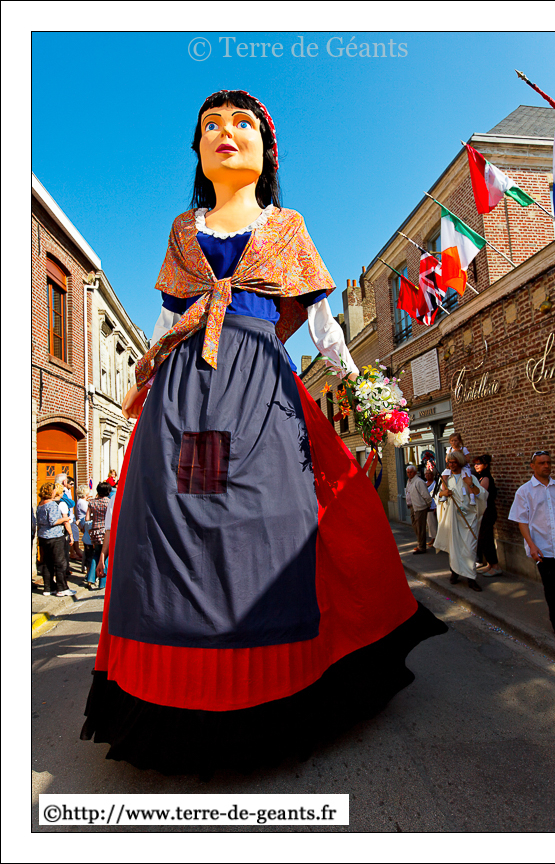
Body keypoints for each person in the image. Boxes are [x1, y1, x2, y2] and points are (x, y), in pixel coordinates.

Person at [81, 89, 447, 775]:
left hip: (259, 391)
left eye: (241, 123)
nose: (226, 132)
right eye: (211, 126)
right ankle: (186, 689)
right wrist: (142, 375)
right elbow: (168, 320)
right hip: (189, 398)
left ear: (265, 149)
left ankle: (281, 677)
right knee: (193, 524)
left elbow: (322, 325)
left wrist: (362, 387)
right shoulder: (183, 230)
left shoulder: (287, 226)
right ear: (197, 150)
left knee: (275, 523)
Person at [508, 451, 555, 641]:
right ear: (532, 466)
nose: (546, 466)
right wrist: (531, 546)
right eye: (541, 463)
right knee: (553, 589)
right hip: (543, 548)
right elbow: (522, 521)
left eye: (548, 462)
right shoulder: (525, 491)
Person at [435, 450, 488, 592]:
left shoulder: (469, 477)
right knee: (455, 548)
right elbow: (437, 496)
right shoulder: (446, 479)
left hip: (469, 519)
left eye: (454, 462)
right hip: (454, 519)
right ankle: (454, 572)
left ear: (459, 462)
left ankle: (471, 578)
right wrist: (444, 493)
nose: (451, 465)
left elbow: (482, 495)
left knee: (470, 549)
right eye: (449, 462)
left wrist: (471, 484)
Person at [36, 482, 74, 596]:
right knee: (60, 563)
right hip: (55, 536)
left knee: (47, 562)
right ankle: (62, 588)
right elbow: (53, 521)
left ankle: (48, 588)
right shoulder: (52, 504)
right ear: (51, 492)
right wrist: (65, 519)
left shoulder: (40, 504)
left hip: (43, 536)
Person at [472, 454, 502, 577]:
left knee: (486, 539)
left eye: (478, 464)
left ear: (485, 465)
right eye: (475, 464)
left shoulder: (486, 478)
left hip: (487, 512)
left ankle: (495, 566)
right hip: (483, 512)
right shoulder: (480, 477)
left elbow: (481, 495)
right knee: (484, 539)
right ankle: (490, 564)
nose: (476, 466)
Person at [85, 482, 112, 589]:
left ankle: (90, 578)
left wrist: (95, 518)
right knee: (105, 555)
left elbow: (87, 518)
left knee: (96, 554)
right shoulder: (108, 502)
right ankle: (103, 582)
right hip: (105, 531)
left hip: (95, 531)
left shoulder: (92, 502)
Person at [406, 464, 432, 554]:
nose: (409, 474)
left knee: (420, 527)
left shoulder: (419, 482)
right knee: (415, 527)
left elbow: (426, 495)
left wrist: (428, 504)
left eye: (411, 472)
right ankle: (419, 543)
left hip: (420, 507)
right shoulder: (409, 481)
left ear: (414, 472)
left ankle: (422, 547)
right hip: (412, 506)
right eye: (408, 472)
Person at [425, 468, 438, 547]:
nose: (427, 475)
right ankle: (432, 538)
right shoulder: (424, 483)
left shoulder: (435, 484)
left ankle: (435, 539)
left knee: (433, 523)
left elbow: (436, 495)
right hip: (426, 506)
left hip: (433, 506)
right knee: (429, 524)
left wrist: (436, 506)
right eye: (426, 473)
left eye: (429, 473)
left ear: (433, 475)